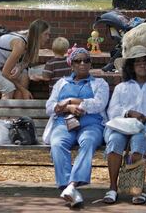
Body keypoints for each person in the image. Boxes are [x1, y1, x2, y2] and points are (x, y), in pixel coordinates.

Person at [103, 45, 146, 205]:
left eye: (145, 62)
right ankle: (113, 187)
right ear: (131, 67)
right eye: (138, 62)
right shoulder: (122, 88)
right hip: (122, 125)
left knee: (139, 138)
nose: (142, 65)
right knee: (115, 139)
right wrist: (129, 112)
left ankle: (136, 189)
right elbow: (112, 111)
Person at [46, 48, 109, 208]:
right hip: (64, 123)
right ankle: (68, 187)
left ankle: (72, 185)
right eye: (78, 61)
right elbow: (49, 106)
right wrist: (69, 108)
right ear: (71, 65)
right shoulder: (61, 83)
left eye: (86, 60)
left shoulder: (100, 83)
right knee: (58, 143)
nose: (82, 64)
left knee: (88, 142)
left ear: (90, 64)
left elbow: (98, 104)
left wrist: (69, 101)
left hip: (91, 123)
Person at [0, 19, 50, 99]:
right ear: (37, 35)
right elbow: (5, 73)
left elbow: (26, 61)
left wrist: (19, 67)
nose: (48, 38)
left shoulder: (29, 41)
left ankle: (17, 109)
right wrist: (23, 90)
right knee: (9, 88)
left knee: (24, 75)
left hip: (0, 65)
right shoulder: (20, 45)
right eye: (45, 34)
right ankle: (3, 111)